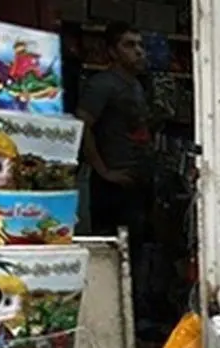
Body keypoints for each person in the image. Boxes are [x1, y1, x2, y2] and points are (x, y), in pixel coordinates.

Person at [77, 23, 152, 323]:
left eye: (140, 45)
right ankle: (113, 320)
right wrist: (103, 170)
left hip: (135, 181)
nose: (138, 51)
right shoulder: (103, 84)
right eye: (129, 45)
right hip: (113, 185)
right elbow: (83, 124)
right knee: (113, 254)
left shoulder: (135, 85)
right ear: (112, 51)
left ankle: (132, 316)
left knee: (135, 251)